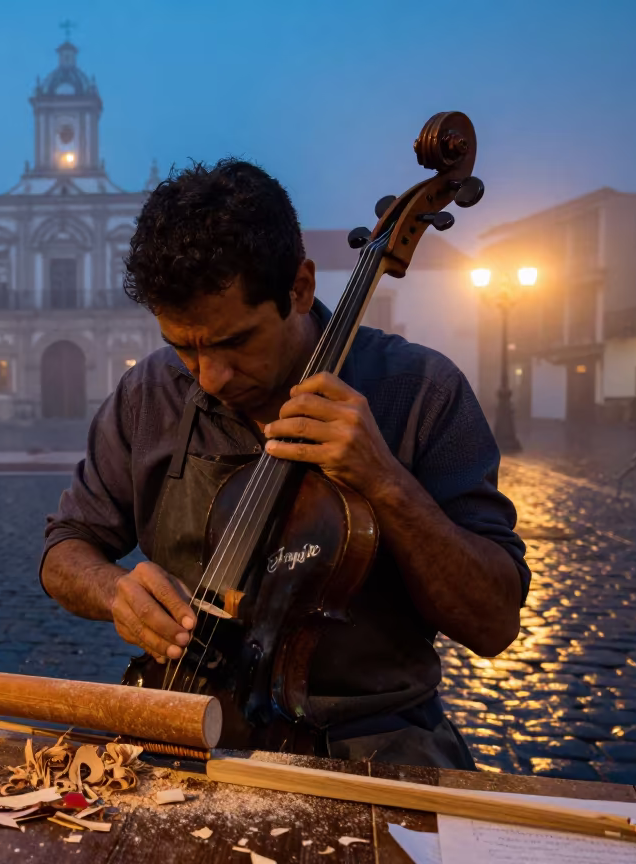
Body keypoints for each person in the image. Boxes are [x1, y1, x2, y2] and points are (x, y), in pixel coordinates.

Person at [40, 159, 529, 770]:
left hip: (374, 744)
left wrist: (386, 483)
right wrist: (114, 591)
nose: (209, 378)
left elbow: (493, 623)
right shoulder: (149, 396)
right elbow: (66, 547)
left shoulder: (421, 390)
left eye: (234, 342)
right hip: (181, 725)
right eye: (181, 347)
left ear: (300, 287)